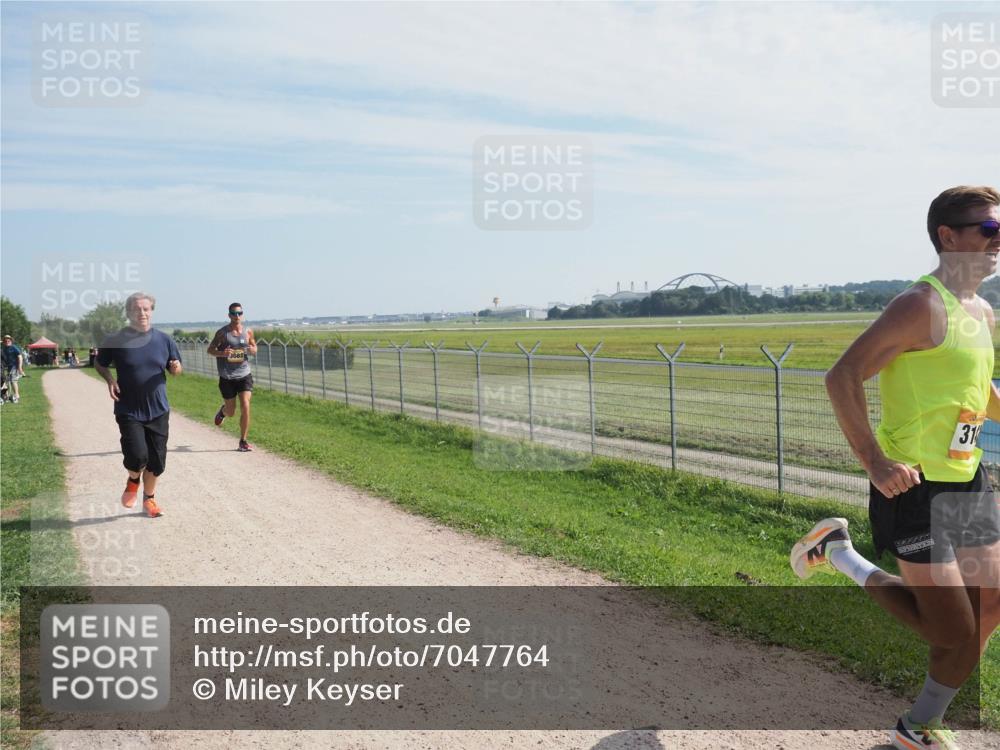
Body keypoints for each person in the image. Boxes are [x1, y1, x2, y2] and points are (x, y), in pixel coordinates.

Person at [791, 186, 1000, 750]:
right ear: (948, 237)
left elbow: (977, 394)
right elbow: (842, 375)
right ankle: (839, 552)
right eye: (988, 228)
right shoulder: (920, 305)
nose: (997, 240)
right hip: (915, 487)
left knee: (993, 601)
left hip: (969, 480)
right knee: (952, 629)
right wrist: (875, 462)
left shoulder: (981, 310)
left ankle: (919, 726)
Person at [95, 292, 182, 518]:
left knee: (157, 461)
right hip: (129, 409)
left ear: (151, 311)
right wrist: (110, 380)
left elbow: (177, 367)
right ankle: (133, 480)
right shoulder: (115, 340)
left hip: (158, 409)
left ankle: (149, 500)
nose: (141, 313)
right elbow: (100, 363)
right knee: (137, 456)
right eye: (136, 309)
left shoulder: (165, 340)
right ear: (129, 312)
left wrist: (174, 368)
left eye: (146, 309)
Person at [207, 302, 257, 452]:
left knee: (246, 405)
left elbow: (255, 347)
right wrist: (223, 353)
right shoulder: (222, 333)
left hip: (244, 374)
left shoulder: (248, 331)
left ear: (242, 314)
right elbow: (210, 349)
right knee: (231, 411)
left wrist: (251, 349)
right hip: (227, 377)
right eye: (234, 313)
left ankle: (243, 441)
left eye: (239, 313)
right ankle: (223, 411)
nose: (237, 316)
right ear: (229, 315)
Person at [1, 334, 25, 403]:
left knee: (13, 380)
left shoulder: (14, 347)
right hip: (8, 367)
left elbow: (20, 357)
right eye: (5, 340)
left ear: (11, 341)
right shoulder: (4, 348)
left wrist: (20, 367)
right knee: (7, 381)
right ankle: (7, 396)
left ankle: (17, 396)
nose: (7, 341)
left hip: (15, 366)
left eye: (8, 340)